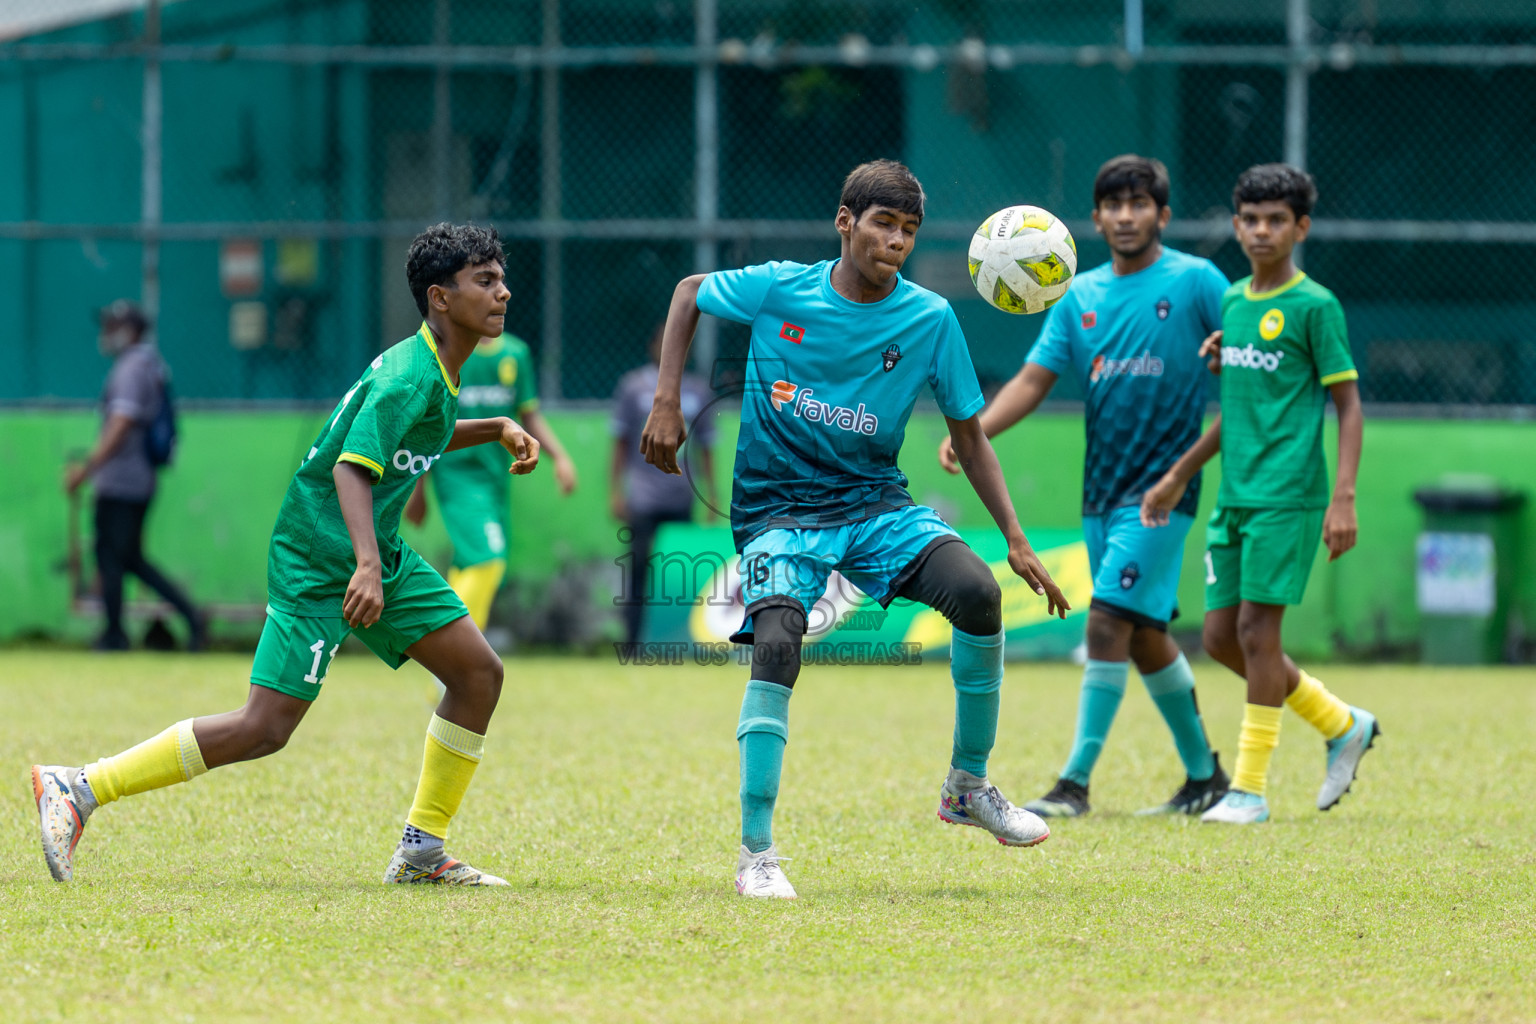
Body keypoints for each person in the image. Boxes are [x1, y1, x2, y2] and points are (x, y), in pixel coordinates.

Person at [33, 222, 540, 885]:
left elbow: (412, 437)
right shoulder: (408, 376)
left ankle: (422, 852)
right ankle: (80, 787)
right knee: (264, 726)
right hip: (320, 556)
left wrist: (495, 427)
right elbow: (350, 472)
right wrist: (363, 566)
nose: (503, 291)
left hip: (370, 550)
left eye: (500, 277)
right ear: (441, 298)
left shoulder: (434, 367)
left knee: (477, 675)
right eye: (486, 280)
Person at [641, 160, 1070, 899]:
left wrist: (1019, 542)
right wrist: (667, 402)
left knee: (978, 594)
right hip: (777, 509)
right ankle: (758, 854)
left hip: (874, 505)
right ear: (845, 222)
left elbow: (971, 439)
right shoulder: (782, 287)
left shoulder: (931, 320)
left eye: (908, 230)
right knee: (776, 643)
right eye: (883, 224)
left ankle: (968, 786)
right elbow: (688, 294)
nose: (896, 241)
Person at [937, 155, 1231, 819]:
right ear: (1094, 218)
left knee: (1104, 623)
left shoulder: (1197, 281)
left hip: (1162, 492)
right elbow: (1034, 380)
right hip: (1100, 492)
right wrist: (972, 431)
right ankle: (1205, 777)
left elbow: (1243, 361)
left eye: (1140, 203)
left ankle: (1073, 783)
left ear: (1163, 214)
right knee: (1147, 634)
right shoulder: (1079, 297)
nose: (1126, 216)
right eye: (1113, 205)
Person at [1141, 163, 1380, 825]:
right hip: (1234, 499)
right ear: (1236, 223)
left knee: (1255, 632)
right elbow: (1236, 410)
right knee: (1219, 638)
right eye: (1250, 219)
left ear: (1301, 228)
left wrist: (1344, 497)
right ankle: (1342, 722)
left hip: (1289, 497)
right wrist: (1179, 473)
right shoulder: (1234, 304)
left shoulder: (1314, 306)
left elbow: (1349, 406)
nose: (1262, 231)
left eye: (1277, 220)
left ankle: (1247, 790)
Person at [404, 329, 577, 631]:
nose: (498, 295)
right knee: (489, 557)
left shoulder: (515, 353)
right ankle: (452, 649)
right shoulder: (450, 352)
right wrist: (419, 488)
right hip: (456, 476)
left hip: (496, 479)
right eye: (484, 282)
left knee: (467, 563)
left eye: (499, 284)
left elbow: (529, 415)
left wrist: (559, 457)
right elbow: (431, 424)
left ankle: (453, 657)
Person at [66, 300, 203, 652]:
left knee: (118, 558)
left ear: (127, 331)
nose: (105, 335)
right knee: (121, 558)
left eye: (111, 328)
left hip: (122, 482)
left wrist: (88, 467)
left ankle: (122, 632)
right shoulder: (149, 365)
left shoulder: (131, 368)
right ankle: (123, 631)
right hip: (132, 480)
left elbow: (121, 423)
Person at [610, 325, 719, 650]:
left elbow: (706, 447)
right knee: (640, 571)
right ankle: (632, 644)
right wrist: (615, 491)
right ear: (654, 347)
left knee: (679, 574)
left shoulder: (698, 391)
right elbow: (620, 443)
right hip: (643, 498)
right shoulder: (633, 387)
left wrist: (712, 496)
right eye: (665, 343)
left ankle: (675, 642)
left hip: (681, 496)